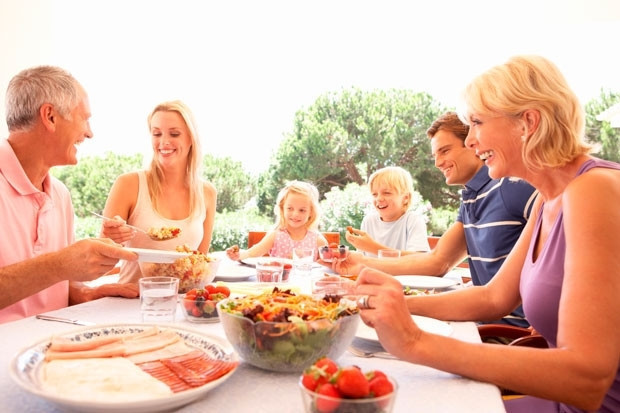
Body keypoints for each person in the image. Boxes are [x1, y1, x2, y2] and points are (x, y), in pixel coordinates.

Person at [352, 55, 620, 412]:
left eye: (477, 123)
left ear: (528, 122)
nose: (471, 141)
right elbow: (494, 297)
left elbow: (586, 379)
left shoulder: (594, 189)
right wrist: (391, 307)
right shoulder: (547, 200)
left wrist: (414, 341)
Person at [334, 111, 538, 327]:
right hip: (482, 323)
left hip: (509, 333)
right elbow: (438, 261)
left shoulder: (510, 186)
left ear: (472, 144)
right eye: (434, 156)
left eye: (445, 150)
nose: (438, 163)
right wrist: (361, 264)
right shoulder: (470, 198)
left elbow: (558, 232)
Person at [0, 66, 139, 323]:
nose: (89, 132)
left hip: (53, 342)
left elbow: (52, 288)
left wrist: (85, 294)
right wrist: (59, 264)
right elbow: (55, 269)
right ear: (50, 116)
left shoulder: (60, 194)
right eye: (84, 118)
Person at [101, 100, 217, 284]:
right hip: (132, 298)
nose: (164, 142)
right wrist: (110, 237)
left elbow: (199, 265)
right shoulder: (128, 184)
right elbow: (101, 257)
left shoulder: (207, 193)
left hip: (183, 299)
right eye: (157, 134)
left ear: (191, 139)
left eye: (174, 134)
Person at [226, 180, 328, 261]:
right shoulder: (275, 236)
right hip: (278, 281)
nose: (295, 214)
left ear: (311, 212)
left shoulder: (318, 240)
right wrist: (238, 255)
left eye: (302, 210)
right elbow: (251, 253)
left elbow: (327, 265)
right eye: (290, 208)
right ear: (282, 209)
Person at [346, 166, 430, 256]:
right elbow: (361, 258)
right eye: (374, 194)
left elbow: (419, 258)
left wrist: (373, 248)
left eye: (387, 193)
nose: (379, 198)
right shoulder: (369, 221)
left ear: (405, 198)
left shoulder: (413, 221)